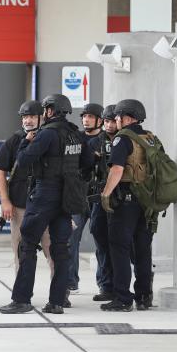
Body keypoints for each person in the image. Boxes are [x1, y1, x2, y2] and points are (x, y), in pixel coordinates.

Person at [0, 94, 91, 315]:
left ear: (49, 111)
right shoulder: (76, 136)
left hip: (45, 194)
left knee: (27, 245)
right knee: (61, 250)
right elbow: (88, 164)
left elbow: (23, 161)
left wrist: (25, 141)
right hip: (67, 197)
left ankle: (22, 299)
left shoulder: (47, 134)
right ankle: (57, 302)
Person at [100, 99, 153, 312]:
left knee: (119, 247)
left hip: (127, 201)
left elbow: (117, 170)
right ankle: (144, 296)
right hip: (147, 201)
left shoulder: (122, 139)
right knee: (143, 249)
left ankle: (122, 298)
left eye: (118, 117)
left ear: (126, 118)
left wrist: (105, 194)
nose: (116, 121)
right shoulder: (149, 137)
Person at [0, 100, 53, 275]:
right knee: (21, 252)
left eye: (32, 117)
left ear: (42, 117)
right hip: (19, 206)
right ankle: (21, 296)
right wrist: (5, 201)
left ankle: (59, 294)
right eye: (25, 117)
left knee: (53, 251)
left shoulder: (51, 137)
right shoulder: (14, 140)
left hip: (46, 205)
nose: (28, 121)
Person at [68, 103, 103, 294]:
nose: (86, 120)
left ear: (99, 120)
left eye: (90, 117)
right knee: (71, 238)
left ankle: (104, 284)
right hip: (78, 194)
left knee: (102, 240)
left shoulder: (105, 139)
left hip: (98, 196)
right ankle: (71, 282)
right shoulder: (76, 138)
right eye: (84, 117)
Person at [87, 104, 117, 302]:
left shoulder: (126, 141)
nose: (109, 125)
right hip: (98, 198)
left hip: (121, 199)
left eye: (112, 121)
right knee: (101, 242)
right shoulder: (95, 142)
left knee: (123, 245)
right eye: (106, 121)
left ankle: (126, 286)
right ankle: (106, 286)